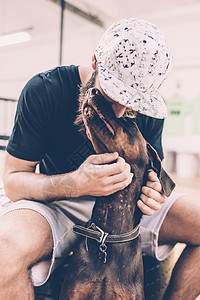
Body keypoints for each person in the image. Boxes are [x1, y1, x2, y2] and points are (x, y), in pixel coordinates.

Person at [0, 18, 199, 300]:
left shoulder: (149, 109)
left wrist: (156, 194)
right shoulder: (45, 90)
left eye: (132, 102)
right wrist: (75, 184)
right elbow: (13, 181)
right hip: (58, 206)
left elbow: (159, 176)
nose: (119, 111)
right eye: (114, 94)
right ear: (95, 60)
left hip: (129, 211)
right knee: (3, 250)